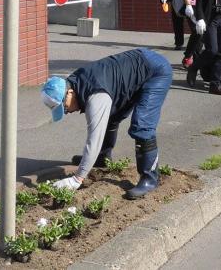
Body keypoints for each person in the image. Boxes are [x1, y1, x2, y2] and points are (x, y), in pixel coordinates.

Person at [40, 48, 172, 199]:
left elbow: (94, 139)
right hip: (137, 66)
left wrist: (77, 179)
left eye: (64, 107)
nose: (67, 112)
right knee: (110, 117)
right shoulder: (72, 82)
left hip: (155, 71)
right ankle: (102, 158)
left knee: (142, 126)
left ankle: (150, 179)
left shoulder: (96, 96)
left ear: (69, 93)